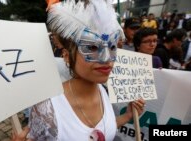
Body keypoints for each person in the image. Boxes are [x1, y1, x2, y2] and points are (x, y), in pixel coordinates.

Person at [13, 0, 145, 140]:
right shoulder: (47, 109)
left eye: (112, 47)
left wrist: (128, 116)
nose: (107, 58)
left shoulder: (102, 91)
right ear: (67, 56)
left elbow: (104, 129)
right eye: (93, 47)